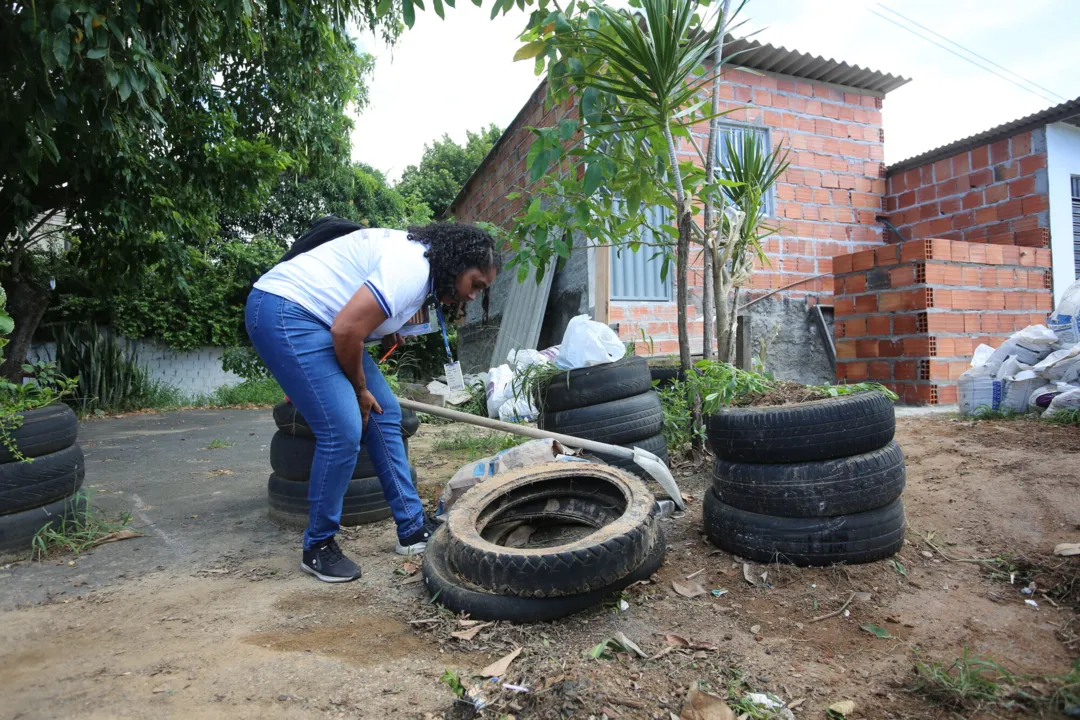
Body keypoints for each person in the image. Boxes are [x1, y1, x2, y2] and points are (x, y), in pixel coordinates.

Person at [246, 221, 498, 583]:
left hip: (325, 320)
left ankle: (411, 529)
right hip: (285, 311)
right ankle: (317, 546)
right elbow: (347, 330)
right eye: (475, 284)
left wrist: (388, 325)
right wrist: (359, 388)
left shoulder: (423, 272)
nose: (473, 296)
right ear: (458, 263)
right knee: (343, 428)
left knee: (386, 413)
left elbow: (359, 314)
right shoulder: (412, 267)